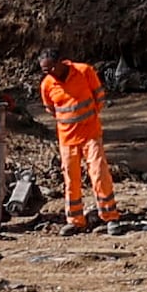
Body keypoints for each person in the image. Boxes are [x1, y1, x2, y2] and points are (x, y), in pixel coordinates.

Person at [39, 51, 116, 232]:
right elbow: (51, 109)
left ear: (60, 62)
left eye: (50, 68)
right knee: (71, 179)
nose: (49, 73)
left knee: (99, 174)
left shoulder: (84, 71)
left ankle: (110, 217)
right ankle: (75, 220)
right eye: (44, 71)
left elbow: (99, 98)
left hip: (90, 134)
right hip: (67, 139)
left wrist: (88, 120)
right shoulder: (47, 85)